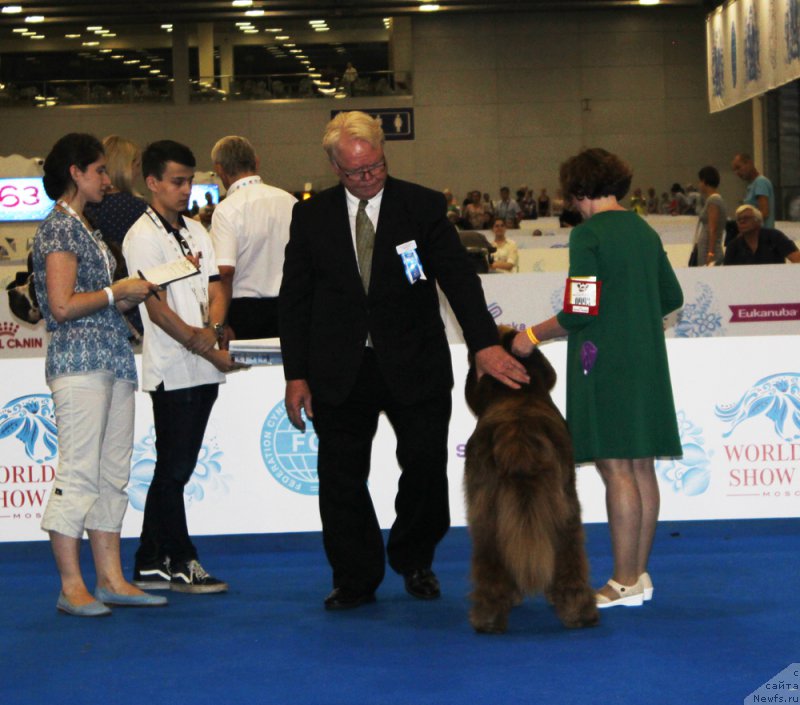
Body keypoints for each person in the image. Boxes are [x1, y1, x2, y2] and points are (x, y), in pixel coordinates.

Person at [279, 110, 529, 611]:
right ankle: (355, 576)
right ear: (335, 167)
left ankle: (415, 559)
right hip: (339, 367)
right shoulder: (311, 215)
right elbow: (295, 298)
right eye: (356, 172)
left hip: (415, 362)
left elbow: (458, 279)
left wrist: (484, 343)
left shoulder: (423, 206)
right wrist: (296, 373)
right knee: (340, 476)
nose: (369, 178)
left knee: (422, 465)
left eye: (376, 165)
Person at [512, 147, 684, 609]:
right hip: (647, 360)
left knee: (616, 470)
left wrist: (530, 335)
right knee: (641, 467)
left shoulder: (588, 237)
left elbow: (579, 310)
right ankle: (639, 575)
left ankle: (623, 580)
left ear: (578, 191)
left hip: (602, 362)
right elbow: (672, 295)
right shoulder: (645, 232)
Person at [32, 133, 164, 616]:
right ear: (76, 173)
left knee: (112, 474)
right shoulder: (58, 230)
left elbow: (89, 299)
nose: (108, 180)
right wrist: (115, 293)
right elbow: (62, 306)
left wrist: (124, 295)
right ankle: (72, 585)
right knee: (79, 472)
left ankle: (110, 578)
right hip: (78, 364)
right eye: (100, 171)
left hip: (111, 358)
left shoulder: (82, 227)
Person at [123, 140, 242, 595]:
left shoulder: (196, 230)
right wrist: (205, 344)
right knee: (174, 469)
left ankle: (150, 560)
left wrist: (213, 328)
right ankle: (182, 558)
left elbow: (216, 285)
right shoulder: (142, 236)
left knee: (177, 468)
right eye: (177, 181)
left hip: (203, 363)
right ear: (152, 182)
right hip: (173, 367)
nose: (187, 189)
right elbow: (155, 309)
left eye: (191, 180)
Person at [210, 135, 297, 341]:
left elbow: (225, 271)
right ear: (256, 162)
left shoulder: (226, 210)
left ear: (219, 169)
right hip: (292, 306)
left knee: (250, 373)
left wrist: (220, 323)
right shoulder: (291, 201)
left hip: (246, 313)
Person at [84, 134, 148, 339]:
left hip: (94, 301)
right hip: (135, 299)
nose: (139, 171)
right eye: (137, 165)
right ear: (127, 167)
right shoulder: (139, 209)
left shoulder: (84, 211)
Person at [723, 204, 800, 265]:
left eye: (746, 218)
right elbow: (727, 272)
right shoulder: (733, 246)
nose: (742, 221)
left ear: (758, 221)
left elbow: (797, 259)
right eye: (739, 219)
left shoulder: (775, 237)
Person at [691, 166, 726, 266]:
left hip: (709, 249)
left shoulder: (713, 201)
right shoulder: (713, 200)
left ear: (704, 181)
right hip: (708, 247)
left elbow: (713, 228)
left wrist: (710, 253)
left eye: (700, 181)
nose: (699, 185)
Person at [732, 153, 775, 228]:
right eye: (734, 170)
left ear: (749, 163)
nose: (737, 173)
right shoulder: (751, 185)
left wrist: (746, 224)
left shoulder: (760, 182)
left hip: (762, 234)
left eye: (738, 168)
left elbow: (764, 212)